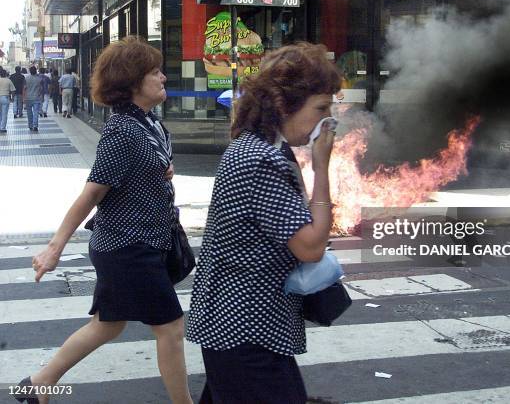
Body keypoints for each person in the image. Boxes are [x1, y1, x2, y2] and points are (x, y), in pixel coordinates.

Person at [18, 36, 193, 404]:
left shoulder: (150, 124)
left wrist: (163, 170)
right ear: (132, 82)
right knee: (171, 327)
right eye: (155, 72)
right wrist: (55, 247)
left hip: (145, 240)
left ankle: (40, 383)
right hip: (128, 246)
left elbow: (146, 169)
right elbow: (92, 193)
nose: (164, 77)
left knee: (108, 324)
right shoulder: (121, 131)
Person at [186, 42, 341, 404]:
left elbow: (298, 217)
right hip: (246, 328)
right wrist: (321, 167)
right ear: (286, 104)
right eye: (321, 108)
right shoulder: (260, 159)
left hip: (241, 323)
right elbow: (311, 245)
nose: (327, 119)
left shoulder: (267, 149)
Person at [23, 65, 43, 132]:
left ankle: (30, 125)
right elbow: (40, 89)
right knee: (36, 112)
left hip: (28, 98)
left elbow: (24, 89)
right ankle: (35, 126)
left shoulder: (26, 78)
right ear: (36, 71)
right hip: (36, 98)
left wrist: (24, 98)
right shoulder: (39, 79)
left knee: (29, 113)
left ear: (30, 71)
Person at [0, 68, 16, 133]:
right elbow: (13, 90)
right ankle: (2, 128)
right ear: (6, 74)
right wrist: (12, 98)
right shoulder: (8, 80)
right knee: (4, 114)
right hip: (5, 98)